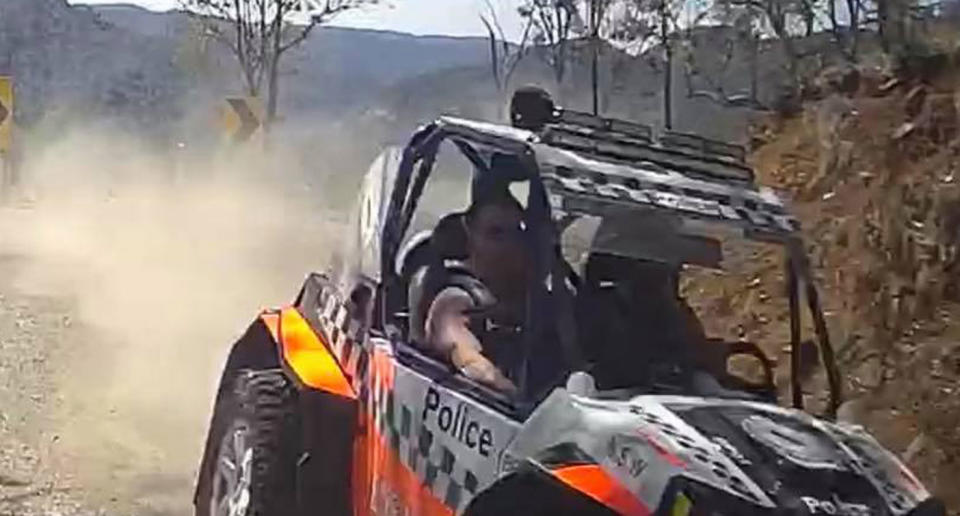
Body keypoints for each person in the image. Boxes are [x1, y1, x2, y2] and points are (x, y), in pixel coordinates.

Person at [420, 188, 530, 394]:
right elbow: (464, 354)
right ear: (470, 236)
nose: (507, 245)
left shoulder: (539, 297)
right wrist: (514, 397)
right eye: (495, 234)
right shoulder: (455, 298)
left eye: (515, 234)